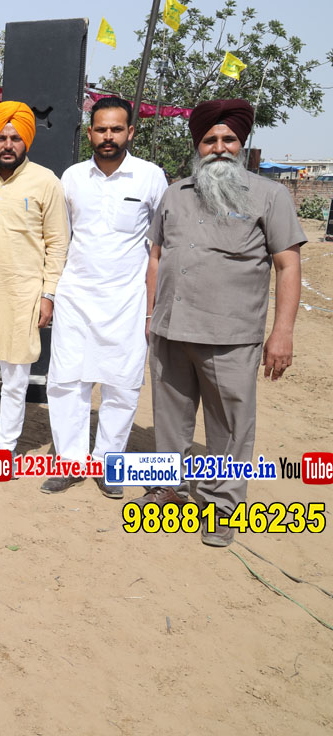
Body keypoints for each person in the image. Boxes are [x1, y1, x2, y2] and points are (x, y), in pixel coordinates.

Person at [138, 98, 305, 548]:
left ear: (241, 142)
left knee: (230, 427)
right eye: (209, 139)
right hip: (171, 329)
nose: (219, 148)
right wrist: (151, 316)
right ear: (198, 145)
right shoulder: (175, 193)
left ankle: (222, 505)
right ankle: (167, 488)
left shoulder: (270, 196)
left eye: (228, 139)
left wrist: (282, 333)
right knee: (168, 419)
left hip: (231, 336)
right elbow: (155, 258)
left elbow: (288, 265)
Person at [41, 98, 167, 498]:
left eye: (116, 129)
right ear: (90, 133)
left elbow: (160, 246)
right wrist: (50, 292)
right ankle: (70, 461)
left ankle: (109, 463)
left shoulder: (150, 177)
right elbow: (58, 238)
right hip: (76, 297)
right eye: (100, 129)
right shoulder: (73, 177)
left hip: (128, 300)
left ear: (130, 132)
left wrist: (152, 309)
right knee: (66, 382)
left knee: (122, 385)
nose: (108, 136)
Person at [0, 101, 68, 460]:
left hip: (24, 294)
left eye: (16, 138)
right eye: (2, 138)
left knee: (16, 376)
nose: (8, 145)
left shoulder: (46, 181)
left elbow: (58, 244)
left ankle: (5, 446)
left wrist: (49, 294)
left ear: (27, 141)